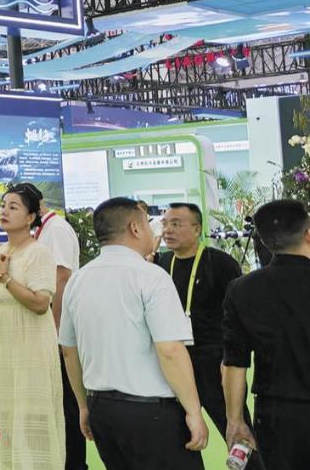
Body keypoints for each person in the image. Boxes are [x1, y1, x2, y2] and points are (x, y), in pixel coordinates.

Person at [60, 197, 207, 469]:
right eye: (149, 224)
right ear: (135, 228)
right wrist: (194, 411)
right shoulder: (151, 276)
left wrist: (83, 406)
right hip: (151, 413)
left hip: (101, 408)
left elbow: (69, 351)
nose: (155, 231)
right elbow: (170, 350)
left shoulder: (78, 280)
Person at [154, 202, 257, 466]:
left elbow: (239, 316)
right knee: (180, 438)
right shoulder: (160, 265)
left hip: (214, 362)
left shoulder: (220, 264)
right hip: (175, 362)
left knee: (237, 432)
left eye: (176, 224)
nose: (168, 230)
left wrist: (229, 360)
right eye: (165, 223)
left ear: (197, 228)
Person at [0, 184, 64, 469]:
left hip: (32, 347)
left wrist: (5, 278)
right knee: (3, 415)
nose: (4, 211)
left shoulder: (38, 252)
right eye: (3, 205)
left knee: (31, 418)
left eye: (13, 207)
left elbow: (41, 303)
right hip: (4, 347)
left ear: (30, 217)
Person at [223, 199, 310, 470]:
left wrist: (235, 420)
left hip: (277, 414)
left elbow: (234, 362)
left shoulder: (242, 290)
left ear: (262, 239)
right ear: (307, 233)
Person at [23, 181, 85, 470]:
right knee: (57, 402)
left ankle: (75, 464)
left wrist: (57, 328)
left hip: (59, 328)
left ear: (34, 208)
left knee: (67, 404)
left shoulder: (56, 229)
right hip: (48, 328)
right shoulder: (42, 232)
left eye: (15, 206)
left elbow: (61, 278)